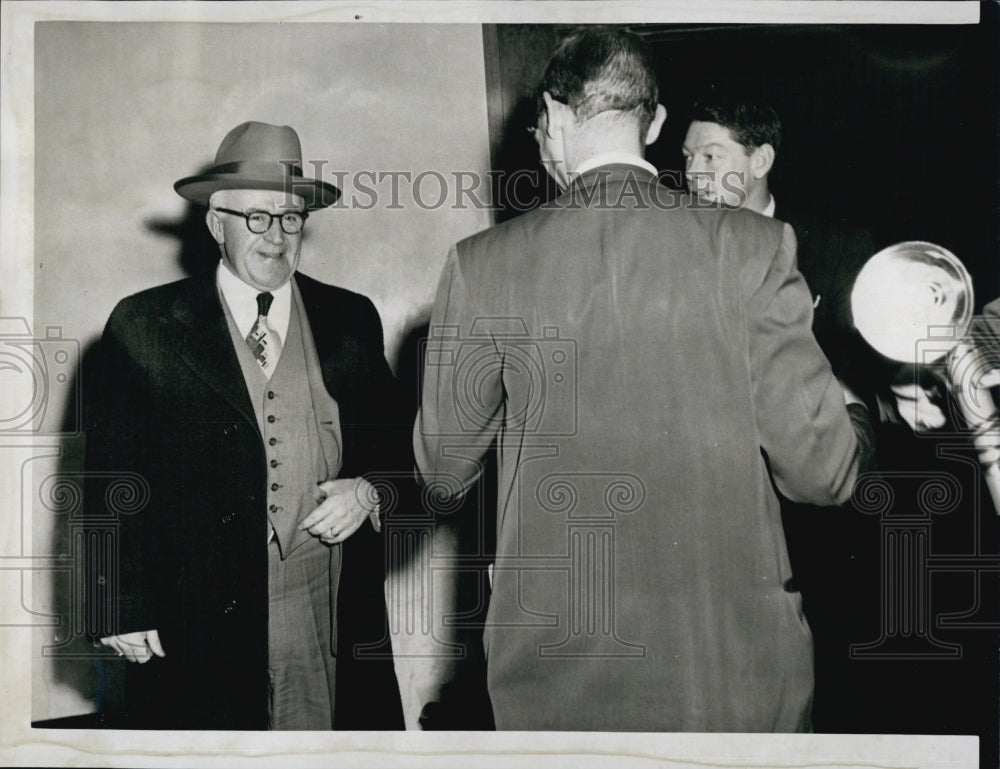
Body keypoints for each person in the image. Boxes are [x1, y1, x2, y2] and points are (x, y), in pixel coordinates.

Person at [413, 28, 866, 732]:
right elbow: (825, 475)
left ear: (555, 120)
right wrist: (857, 415)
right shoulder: (751, 246)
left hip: (555, 678)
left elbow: (441, 472)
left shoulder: (480, 264)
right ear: (654, 124)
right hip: (733, 676)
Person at [84, 121, 404, 730]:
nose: (276, 236)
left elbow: (399, 446)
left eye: (289, 218)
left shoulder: (350, 318)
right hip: (194, 609)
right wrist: (117, 603)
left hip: (322, 597)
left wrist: (369, 491)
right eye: (256, 218)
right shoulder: (143, 324)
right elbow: (109, 480)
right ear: (216, 224)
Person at [683, 98, 881, 730]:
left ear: (761, 159)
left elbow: (866, 383)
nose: (692, 173)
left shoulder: (839, 247)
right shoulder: (674, 257)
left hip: (823, 526)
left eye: (710, 156)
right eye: (686, 158)